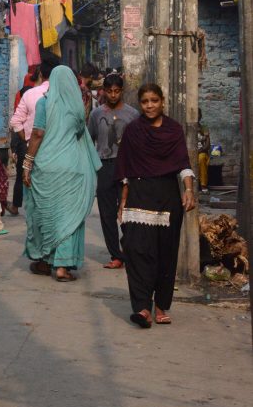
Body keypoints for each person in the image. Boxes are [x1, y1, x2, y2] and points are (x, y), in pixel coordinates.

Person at [115, 83, 196, 328]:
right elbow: (125, 169)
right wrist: (123, 202)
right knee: (137, 251)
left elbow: (183, 164)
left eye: (154, 101)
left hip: (167, 197)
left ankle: (160, 305)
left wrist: (189, 191)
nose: (149, 106)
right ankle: (142, 308)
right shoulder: (133, 131)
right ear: (140, 104)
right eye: (145, 102)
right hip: (139, 196)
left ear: (162, 101)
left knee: (165, 253)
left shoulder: (174, 130)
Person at [23, 65, 101, 282]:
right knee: (70, 216)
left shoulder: (44, 104)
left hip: (46, 166)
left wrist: (27, 163)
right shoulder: (77, 108)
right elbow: (77, 132)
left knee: (43, 212)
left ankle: (42, 259)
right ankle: (62, 267)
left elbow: (38, 134)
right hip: (71, 167)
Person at [87, 73, 139, 270]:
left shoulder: (132, 114)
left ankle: (128, 249)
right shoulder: (96, 114)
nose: (113, 95)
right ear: (104, 92)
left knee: (128, 211)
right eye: (109, 91)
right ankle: (115, 255)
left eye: (117, 91)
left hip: (127, 166)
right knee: (107, 213)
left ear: (122, 91)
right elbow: (89, 140)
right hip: (104, 166)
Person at [7, 59, 55, 215]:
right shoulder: (63, 95)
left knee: (30, 185)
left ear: (40, 74)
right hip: (57, 150)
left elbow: (15, 122)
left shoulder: (30, 94)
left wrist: (26, 139)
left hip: (31, 148)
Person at [197, 109, 211, 194]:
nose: (196, 116)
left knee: (201, 158)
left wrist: (200, 150)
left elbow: (208, 145)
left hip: (201, 152)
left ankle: (203, 186)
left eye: (198, 114)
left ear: (200, 116)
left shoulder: (204, 128)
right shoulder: (186, 127)